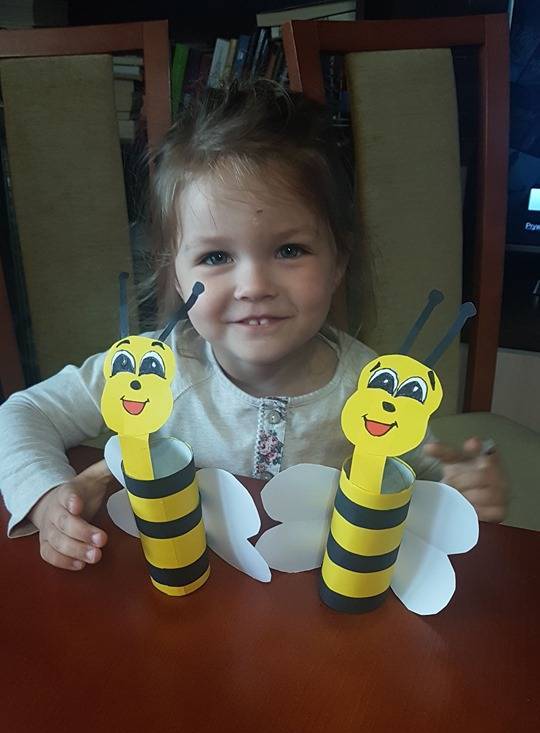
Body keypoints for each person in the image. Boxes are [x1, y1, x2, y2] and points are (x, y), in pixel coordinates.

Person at [0, 80, 507, 572]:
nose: (254, 285)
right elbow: (23, 412)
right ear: (175, 273)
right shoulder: (147, 372)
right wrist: (45, 495)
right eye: (216, 256)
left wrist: (461, 492)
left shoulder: (375, 390)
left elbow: (425, 480)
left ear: (338, 262)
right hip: (182, 591)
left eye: (289, 250)